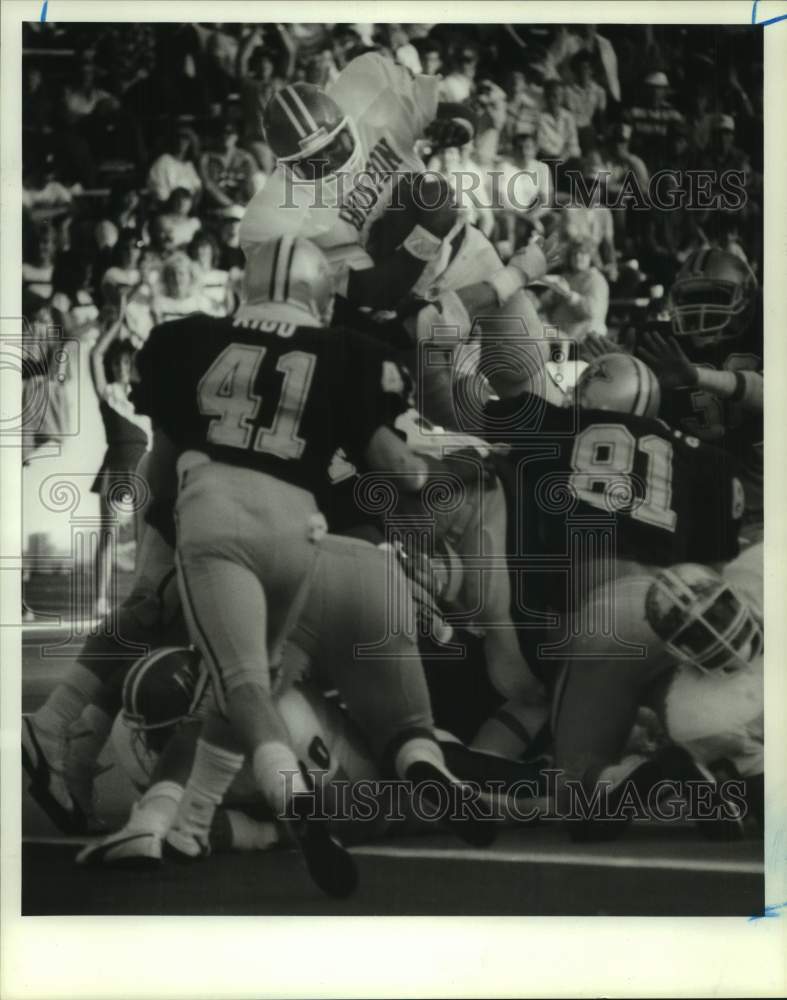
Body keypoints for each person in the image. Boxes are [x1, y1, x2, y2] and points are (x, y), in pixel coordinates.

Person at [130, 236, 496, 893]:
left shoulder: (185, 341)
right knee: (400, 729)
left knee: (237, 687)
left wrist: (165, 550)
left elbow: (158, 477)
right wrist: (448, 473)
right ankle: (421, 758)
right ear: (318, 295)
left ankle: (223, 808)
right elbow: (401, 469)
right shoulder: (350, 355)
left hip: (231, 534)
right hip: (331, 550)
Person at [88, 306, 152, 617]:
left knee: (145, 538)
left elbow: (153, 353)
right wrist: (117, 322)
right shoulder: (108, 393)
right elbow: (95, 354)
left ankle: (139, 598)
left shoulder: (144, 393)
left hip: (142, 467)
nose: (121, 366)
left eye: (126, 361)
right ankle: (100, 598)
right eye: (117, 363)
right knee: (109, 535)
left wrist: (135, 328)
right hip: (115, 465)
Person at [539, 236, 610, 341]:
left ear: (590, 257)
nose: (578, 257)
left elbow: (593, 312)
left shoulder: (596, 280)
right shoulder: (566, 277)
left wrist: (569, 295)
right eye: (574, 254)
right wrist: (549, 298)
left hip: (585, 338)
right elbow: (546, 304)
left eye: (582, 253)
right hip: (560, 334)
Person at [199, 120, 258, 211]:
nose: (225, 137)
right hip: (216, 208)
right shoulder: (207, 158)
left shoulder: (246, 158)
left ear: (236, 136)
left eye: (230, 133)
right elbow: (208, 185)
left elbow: (251, 185)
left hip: (241, 207)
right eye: (223, 133)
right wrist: (230, 204)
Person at [147, 125, 202, 204]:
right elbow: (159, 191)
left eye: (186, 139)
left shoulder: (189, 166)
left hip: (187, 209)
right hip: (168, 207)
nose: (182, 142)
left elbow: (198, 188)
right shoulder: (164, 161)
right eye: (179, 138)